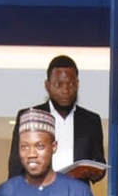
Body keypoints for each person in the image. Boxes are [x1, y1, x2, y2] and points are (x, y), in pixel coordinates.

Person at [6, 55, 106, 184]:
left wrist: (93, 172)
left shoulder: (91, 121)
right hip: (39, 195)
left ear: (78, 84)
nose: (66, 90)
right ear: (47, 86)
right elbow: (16, 167)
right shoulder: (31, 116)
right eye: (59, 85)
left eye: (71, 84)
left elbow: (99, 166)